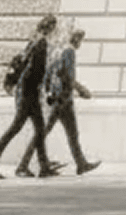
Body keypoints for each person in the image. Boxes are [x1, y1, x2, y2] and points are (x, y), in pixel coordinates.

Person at [0, 13, 62, 180]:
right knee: (15, 128)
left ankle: (40, 167)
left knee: (40, 130)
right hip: (28, 94)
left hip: (28, 92)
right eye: (55, 29)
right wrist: (40, 91)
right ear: (51, 28)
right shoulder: (41, 44)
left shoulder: (34, 40)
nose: (56, 32)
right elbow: (34, 72)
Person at [42, 27, 100, 177]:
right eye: (80, 39)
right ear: (76, 39)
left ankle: (81, 164)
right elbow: (69, 76)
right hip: (63, 100)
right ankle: (25, 163)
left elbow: (49, 73)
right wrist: (82, 90)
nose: (80, 42)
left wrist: (49, 91)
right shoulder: (69, 52)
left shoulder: (58, 51)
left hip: (58, 98)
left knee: (68, 133)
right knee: (49, 132)